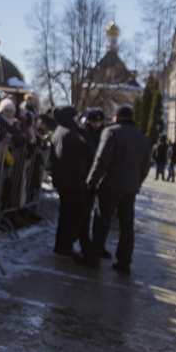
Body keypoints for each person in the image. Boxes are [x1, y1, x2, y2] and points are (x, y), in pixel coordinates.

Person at [76, 105, 151, 275]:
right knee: (127, 224)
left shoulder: (111, 132)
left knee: (102, 219)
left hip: (111, 185)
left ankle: (93, 256)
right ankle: (124, 261)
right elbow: (146, 165)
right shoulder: (142, 137)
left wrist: (92, 182)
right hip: (130, 188)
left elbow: (102, 160)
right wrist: (137, 182)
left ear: (116, 118)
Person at [49, 107, 95, 257]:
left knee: (66, 213)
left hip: (65, 179)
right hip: (72, 180)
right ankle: (67, 242)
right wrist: (84, 132)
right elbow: (88, 148)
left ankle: (62, 245)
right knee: (78, 211)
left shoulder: (61, 131)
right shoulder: (69, 133)